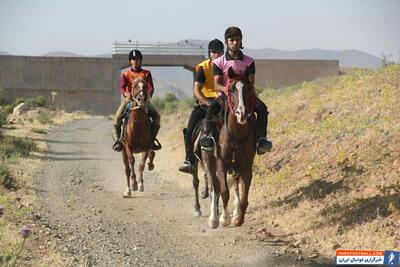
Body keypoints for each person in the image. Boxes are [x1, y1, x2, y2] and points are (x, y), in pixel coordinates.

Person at [200, 26, 272, 155]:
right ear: (226, 42)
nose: (235, 42)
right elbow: (216, 84)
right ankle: (209, 137)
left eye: (237, 40)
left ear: (241, 41)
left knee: (262, 109)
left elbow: (251, 82)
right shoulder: (218, 62)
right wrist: (227, 90)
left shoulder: (249, 61)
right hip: (225, 94)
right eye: (232, 40)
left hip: (244, 94)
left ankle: (261, 139)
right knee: (211, 108)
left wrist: (245, 94)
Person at [178, 39, 224, 173]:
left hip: (222, 103)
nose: (216, 54)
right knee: (190, 130)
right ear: (209, 53)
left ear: (223, 53)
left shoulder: (226, 66)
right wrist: (206, 102)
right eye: (213, 52)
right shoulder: (203, 68)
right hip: (205, 104)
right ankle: (190, 160)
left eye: (219, 52)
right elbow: (196, 90)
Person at [112, 49, 161, 152]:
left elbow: (151, 87)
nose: (135, 61)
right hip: (129, 100)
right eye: (133, 59)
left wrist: (148, 96)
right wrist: (126, 94)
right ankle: (119, 141)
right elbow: (121, 87)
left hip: (144, 100)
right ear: (130, 61)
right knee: (117, 117)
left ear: (140, 60)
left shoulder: (146, 73)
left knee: (157, 116)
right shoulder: (126, 74)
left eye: (137, 59)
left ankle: (152, 141)